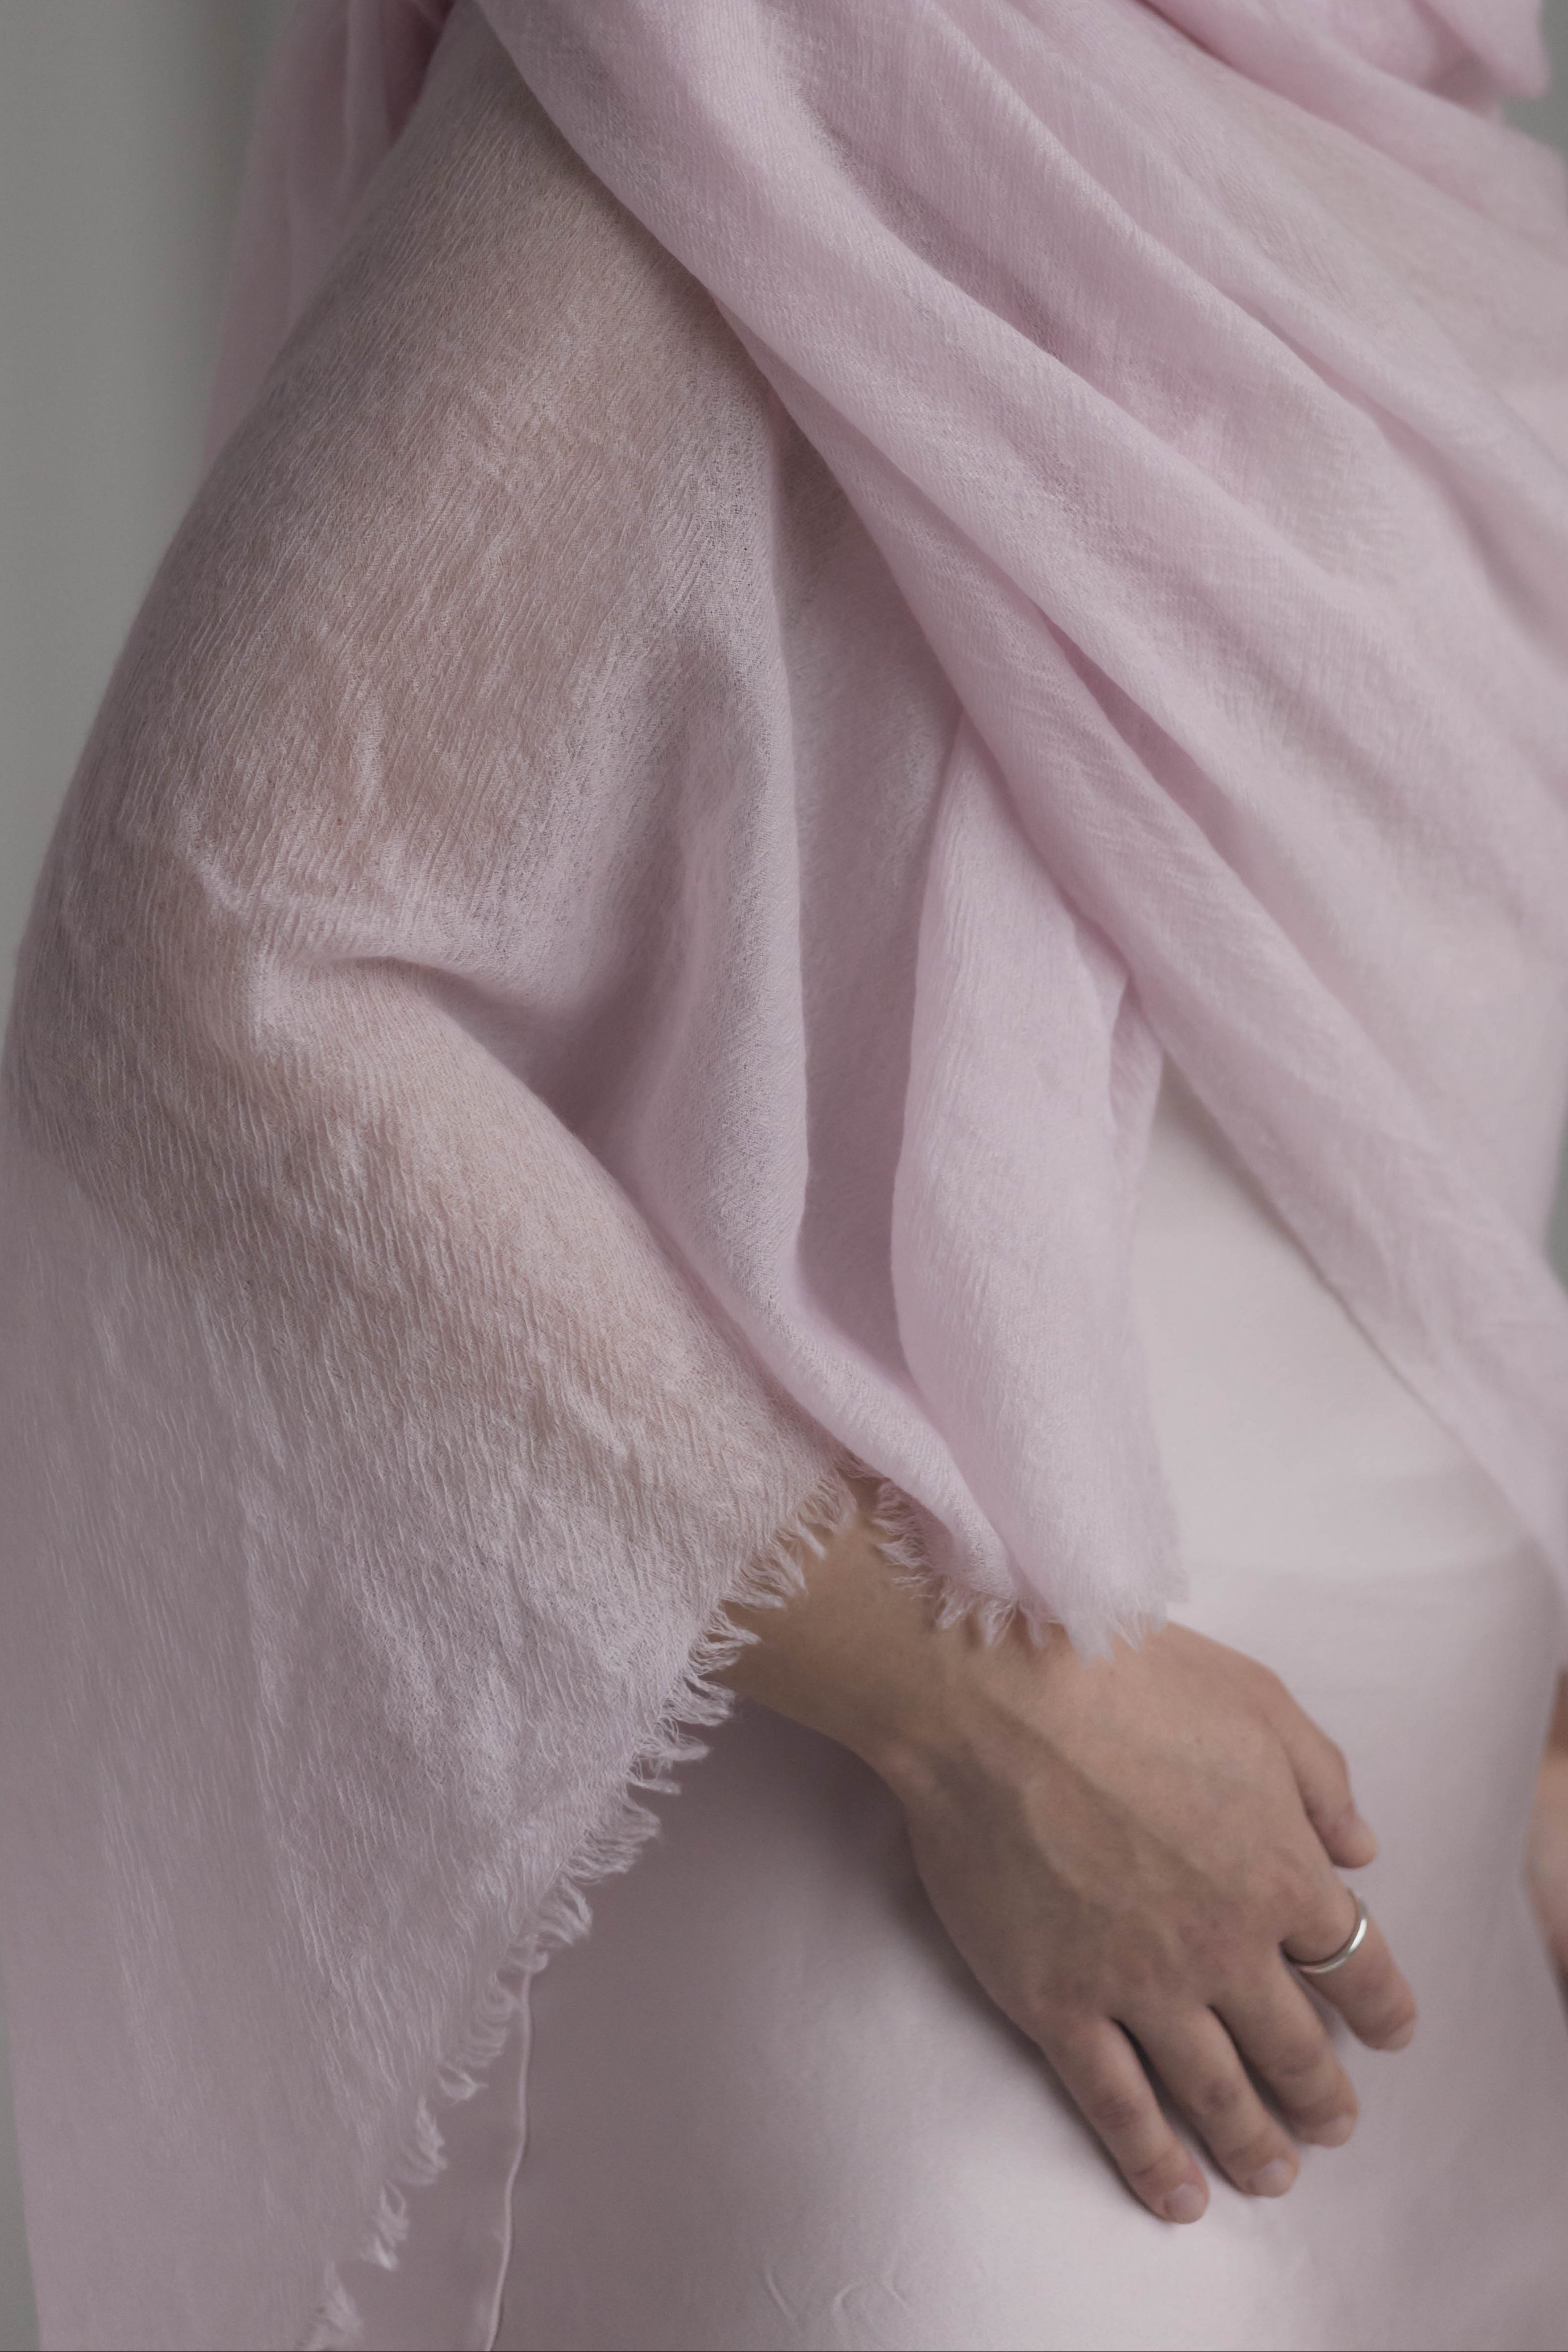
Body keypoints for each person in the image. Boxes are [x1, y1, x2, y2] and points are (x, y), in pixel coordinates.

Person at [3, 3, 1568, 2348]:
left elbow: (1365, 1089)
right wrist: (988, 1716)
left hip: (1437, 2003)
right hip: (969, 2002)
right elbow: (198, 966)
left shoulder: (1407, 134)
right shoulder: (766, 60)